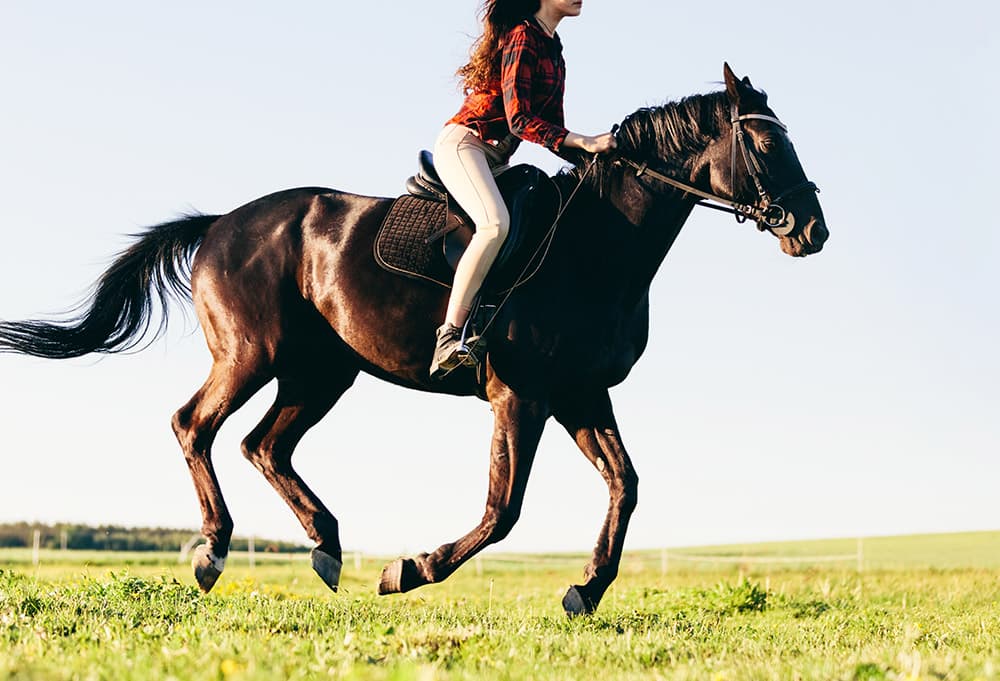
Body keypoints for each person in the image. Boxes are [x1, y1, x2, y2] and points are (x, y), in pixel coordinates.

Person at [429, 0, 617, 378]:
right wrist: (585, 141)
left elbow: (553, 130)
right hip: (467, 144)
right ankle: (448, 336)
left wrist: (604, 159)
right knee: (494, 225)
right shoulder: (523, 37)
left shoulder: (554, 49)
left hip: (497, 159)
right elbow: (520, 121)